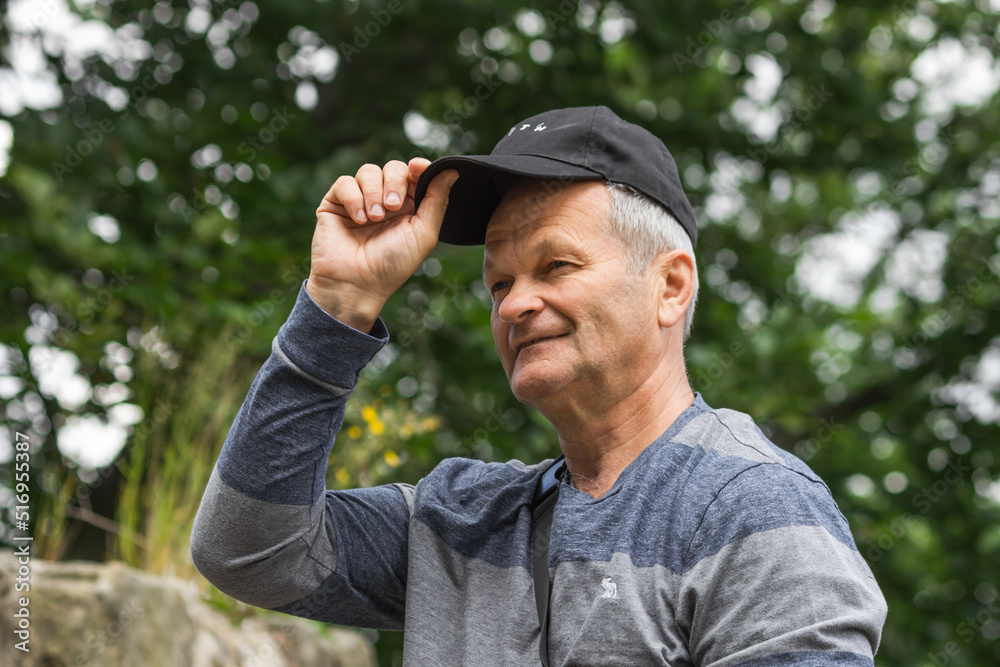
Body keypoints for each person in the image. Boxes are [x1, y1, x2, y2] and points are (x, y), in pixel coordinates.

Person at [191, 106, 887, 665]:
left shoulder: (752, 509)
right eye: (499, 282)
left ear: (670, 286)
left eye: (555, 266)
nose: (515, 303)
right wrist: (336, 308)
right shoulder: (459, 523)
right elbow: (248, 549)